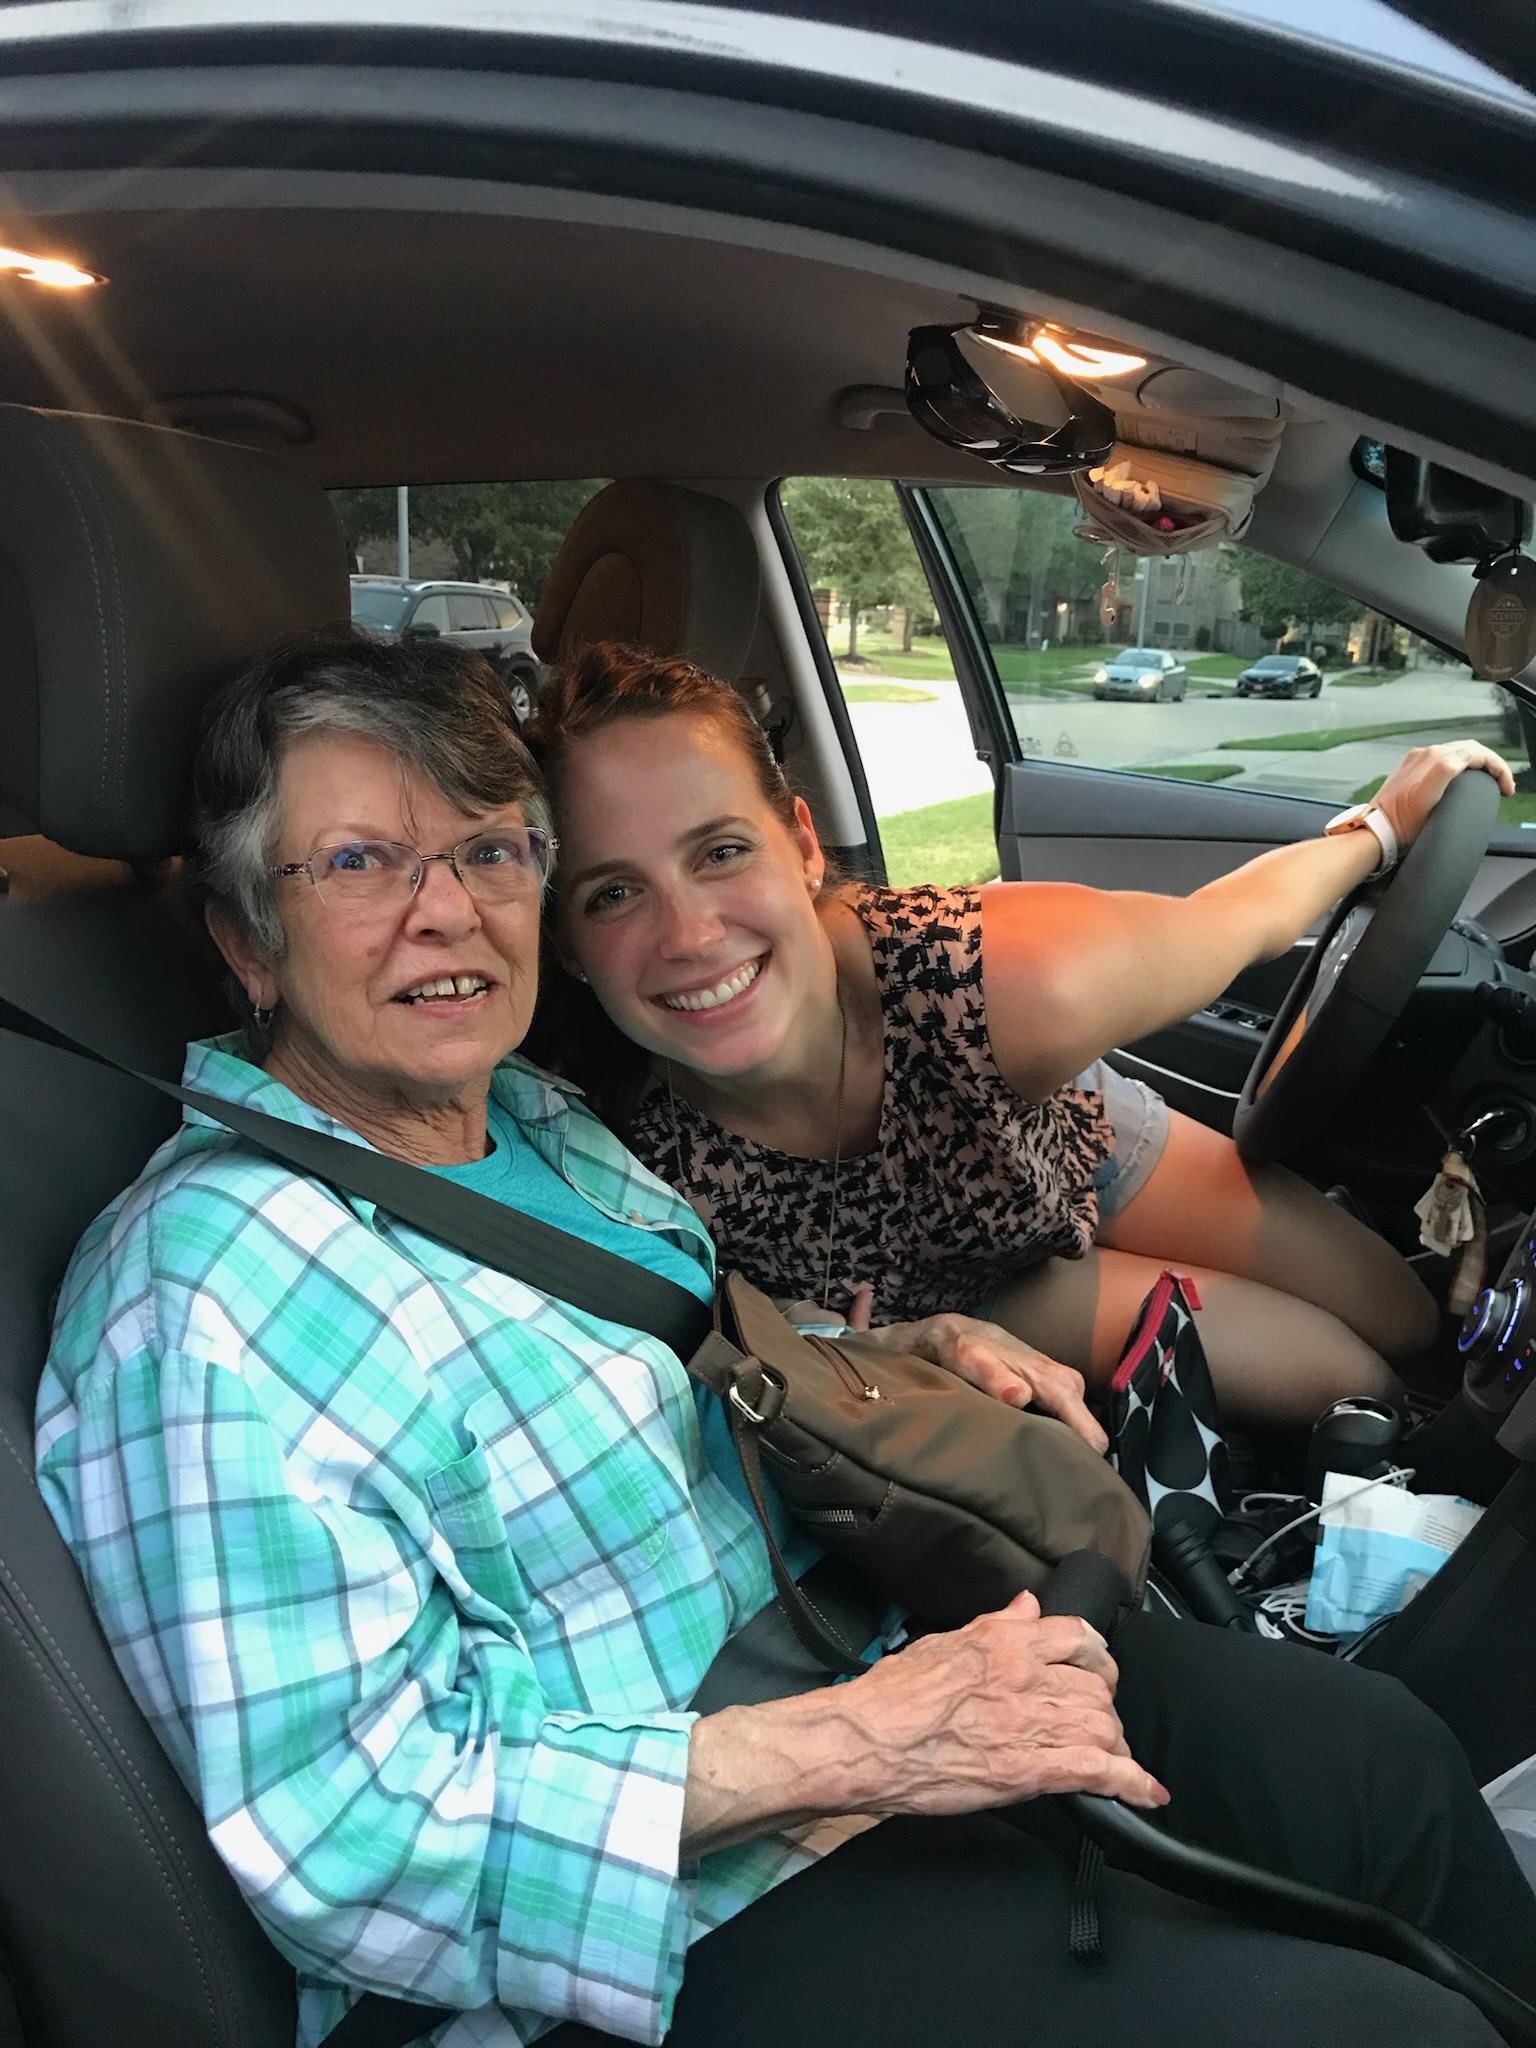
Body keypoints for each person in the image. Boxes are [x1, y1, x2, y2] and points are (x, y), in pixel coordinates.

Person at [36, 630, 1536, 2048]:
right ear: (247, 937)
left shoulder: (536, 1127)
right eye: (360, 862)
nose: (449, 910)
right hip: (665, 1921)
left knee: (1379, 1763)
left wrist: (888, 1347)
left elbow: (645, 1351)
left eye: (489, 851)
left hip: (871, 1677)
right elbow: (350, 1837)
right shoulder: (207, 1309)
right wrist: (859, 1748)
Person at [527, 642, 1515, 1428]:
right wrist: (832, 1337)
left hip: (1074, 1151)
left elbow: (1229, 926)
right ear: (566, 940)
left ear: (800, 841)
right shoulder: (591, 1147)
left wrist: (1379, 830)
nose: (691, 936)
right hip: (959, 1303)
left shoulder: (991, 974)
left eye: (722, 851)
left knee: (1405, 1314)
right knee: (1347, 1379)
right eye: (615, 892)